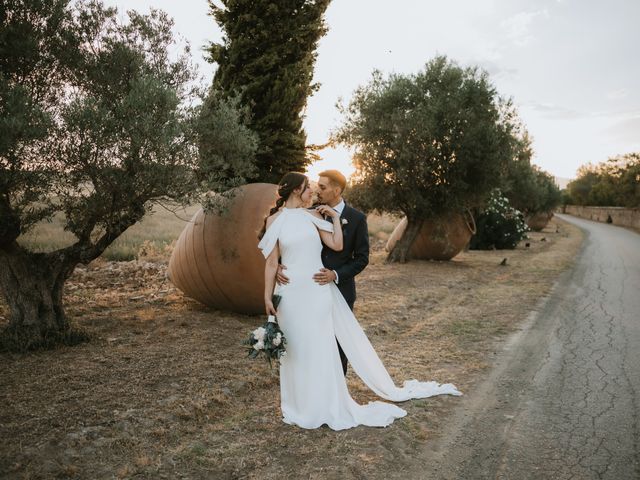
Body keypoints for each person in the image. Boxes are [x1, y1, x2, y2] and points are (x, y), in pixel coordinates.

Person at [257, 171, 461, 431]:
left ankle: (325, 403)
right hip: (290, 294)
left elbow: (337, 245)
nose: (314, 191)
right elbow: (272, 261)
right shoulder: (275, 219)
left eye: (317, 187)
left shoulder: (314, 216)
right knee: (296, 348)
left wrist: (332, 218)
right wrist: (266, 295)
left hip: (317, 291)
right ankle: (298, 405)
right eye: (310, 187)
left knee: (319, 348)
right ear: (297, 190)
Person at [276, 169, 368, 376]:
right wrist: (279, 264)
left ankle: (338, 390)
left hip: (340, 288)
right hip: (309, 289)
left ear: (337, 190)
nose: (318, 190)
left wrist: (335, 274)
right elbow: (292, 240)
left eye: (323, 187)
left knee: (338, 340)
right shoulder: (311, 211)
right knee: (315, 339)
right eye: (316, 185)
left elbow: (362, 258)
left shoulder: (357, 218)